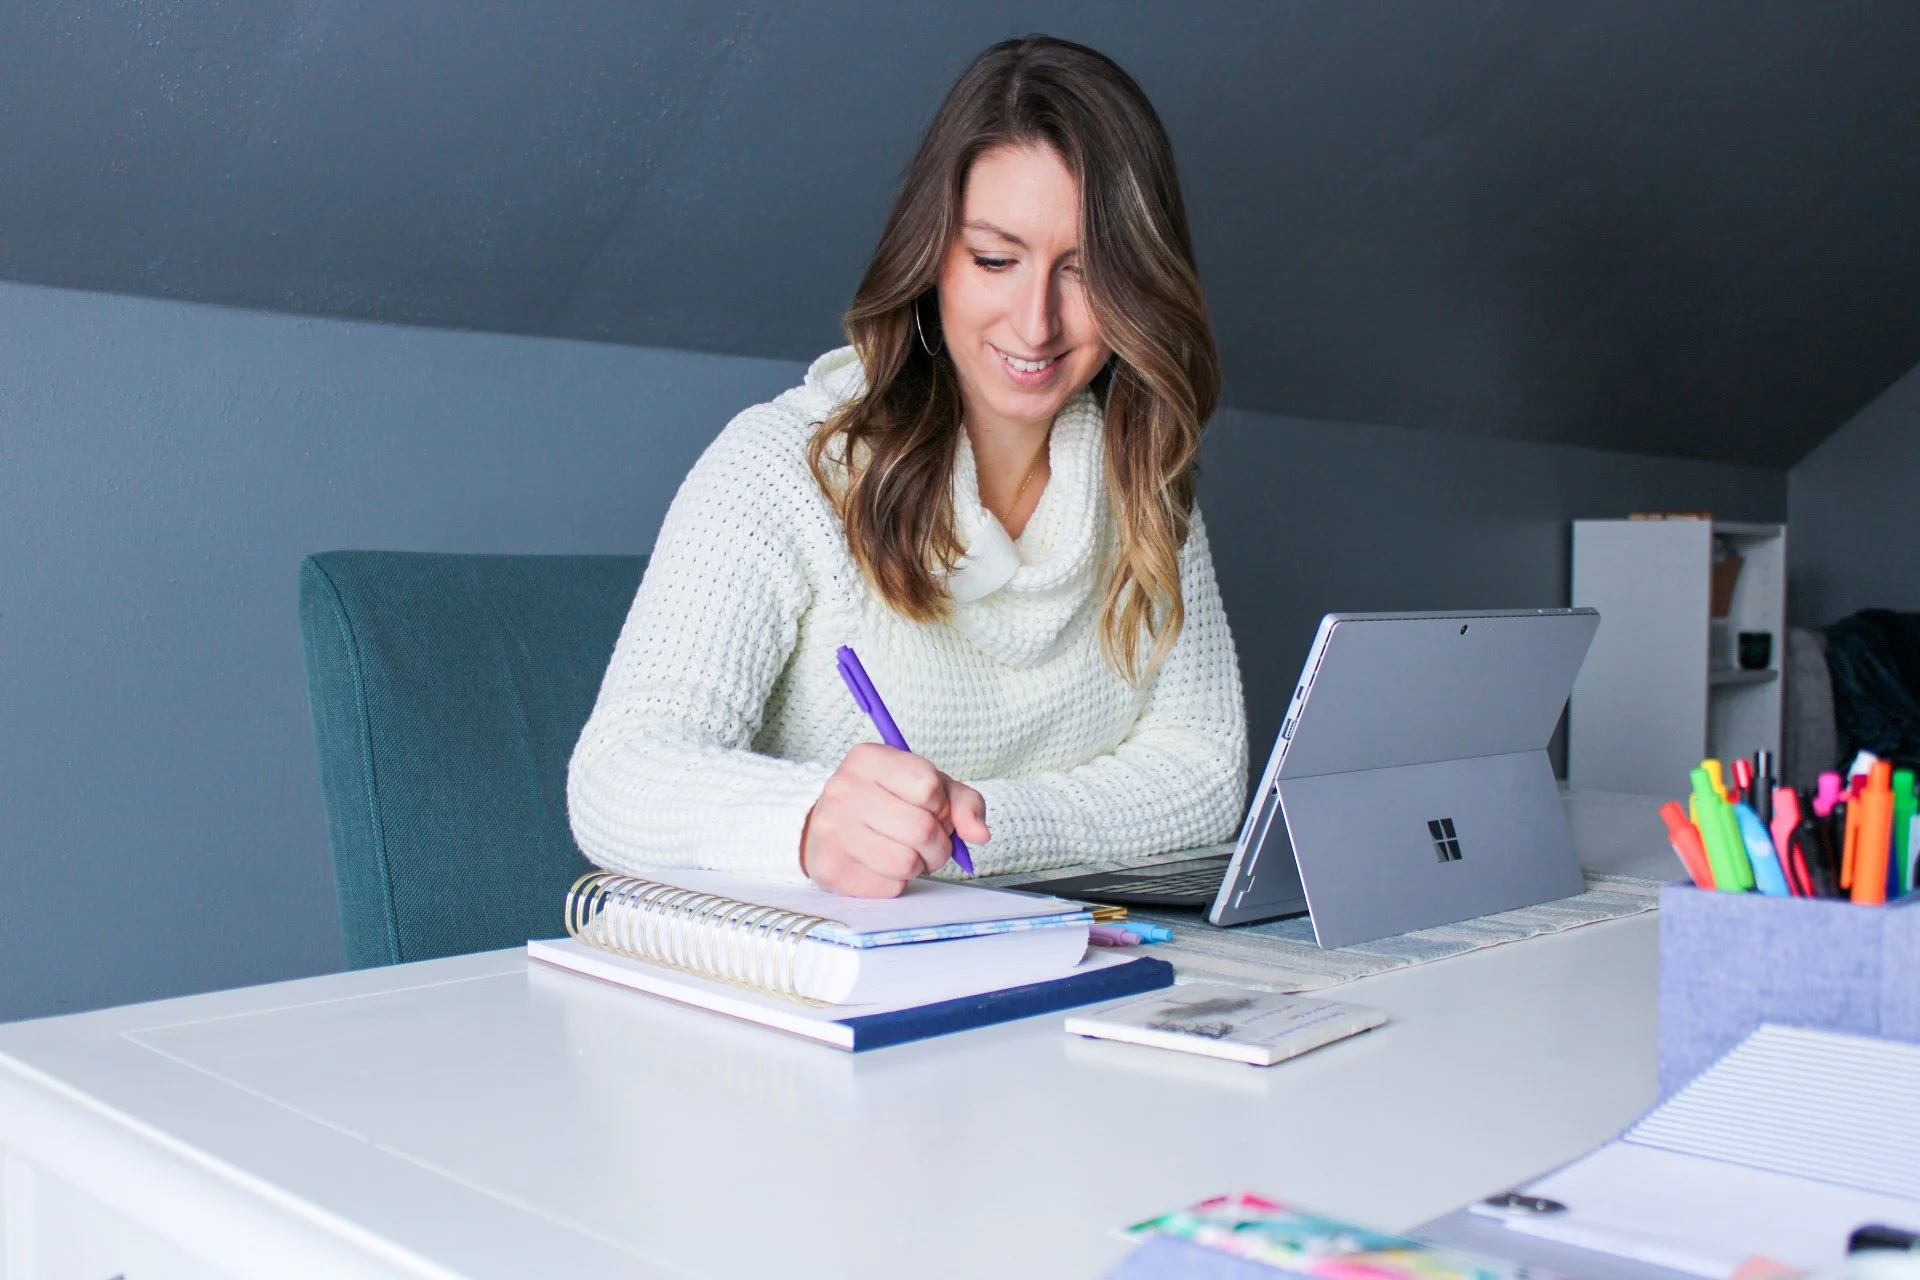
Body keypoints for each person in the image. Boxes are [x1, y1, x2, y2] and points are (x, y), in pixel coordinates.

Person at [568, 35, 1246, 897]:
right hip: (822, 991)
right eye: (995, 260)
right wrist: (808, 819)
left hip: (1053, 973)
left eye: (1084, 273)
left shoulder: (1142, 480)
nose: (1036, 324)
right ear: (932, 257)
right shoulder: (783, 466)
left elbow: (1203, 777)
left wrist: (970, 827)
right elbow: (615, 778)